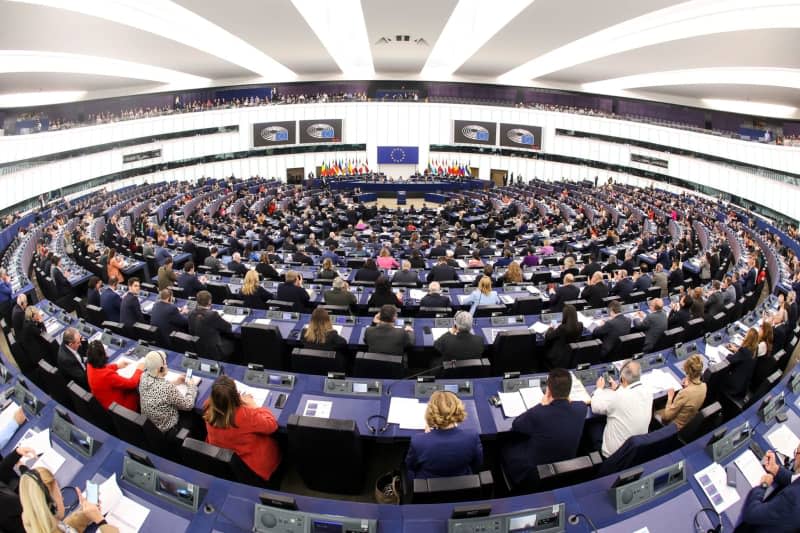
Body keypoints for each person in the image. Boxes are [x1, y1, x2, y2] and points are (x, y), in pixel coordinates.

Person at [501, 369, 588, 488]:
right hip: (565, 466)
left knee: (505, 446)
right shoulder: (582, 408)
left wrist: (542, 404)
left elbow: (516, 424)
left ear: (548, 391)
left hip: (534, 472)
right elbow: (580, 403)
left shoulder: (539, 413)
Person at [204, 375, 281, 482]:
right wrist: (254, 406)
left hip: (226, 460)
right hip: (252, 465)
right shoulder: (244, 415)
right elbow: (272, 425)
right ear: (236, 396)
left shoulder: (208, 409)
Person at [405, 390, 482, 479]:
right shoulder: (472, 436)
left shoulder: (418, 441)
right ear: (457, 410)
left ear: (431, 413)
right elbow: (477, 464)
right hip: (463, 484)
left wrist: (427, 438)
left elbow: (410, 465)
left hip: (428, 485)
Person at [20, 466, 118, 533]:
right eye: (59, 494)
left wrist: (84, 515)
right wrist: (100, 520)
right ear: (52, 506)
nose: (62, 498)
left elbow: (63, 529)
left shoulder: (38, 523)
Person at [590, 360, 652, 458]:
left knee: (592, 425)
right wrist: (619, 388)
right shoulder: (648, 391)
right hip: (635, 451)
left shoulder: (618, 396)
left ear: (622, 378)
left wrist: (598, 389)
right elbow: (630, 396)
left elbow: (595, 407)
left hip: (613, 456)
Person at [736, 446, 800, 532]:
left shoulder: (791, 498)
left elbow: (751, 514)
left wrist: (763, 486)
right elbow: (795, 479)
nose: (794, 457)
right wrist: (776, 470)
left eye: (797, 453)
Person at [139, 350, 199, 436]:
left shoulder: (143, 376)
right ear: (161, 368)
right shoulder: (166, 387)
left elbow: (156, 385)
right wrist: (191, 386)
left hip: (152, 428)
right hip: (168, 431)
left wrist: (175, 382)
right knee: (192, 416)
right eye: (165, 364)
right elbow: (188, 405)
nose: (166, 366)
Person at [86, 340, 144, 411]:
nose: (106, 354)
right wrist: (139, 370)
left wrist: (116, 366)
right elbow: (132, 383)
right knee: (138, 389)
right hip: (121, 408)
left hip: (106, 402)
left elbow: (102, 369)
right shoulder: (107, 376)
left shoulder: (90, 365)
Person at [705, 328, 758, 401]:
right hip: (742, 386)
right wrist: (737, 350)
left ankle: (710, 398)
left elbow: (729, 360)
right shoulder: (753, 351)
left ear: (748, 338)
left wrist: (730, 354)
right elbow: (743, 356)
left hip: (733, 387)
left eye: (746, 335)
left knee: (716, 377)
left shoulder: (744, 351)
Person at [655, 354, 706, 430]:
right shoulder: (704, 386)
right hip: (689, 421)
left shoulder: (685, 393)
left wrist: (670, 398)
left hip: (675, 427)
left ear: (687, 371)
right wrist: (689, 381)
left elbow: (666, 417)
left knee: (654, 411)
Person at [188, 290, 234, 361]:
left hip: (198, 348)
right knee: (235, 343)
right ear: (209, 301)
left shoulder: (190, 313)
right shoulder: (213, 315)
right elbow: (228, 328)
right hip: (214, 351)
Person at [544, 304, 583, 369]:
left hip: (558, 356)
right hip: (571, 354)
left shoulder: (562, 328)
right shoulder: (580, 325)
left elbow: (548, 336)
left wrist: (550, 328)